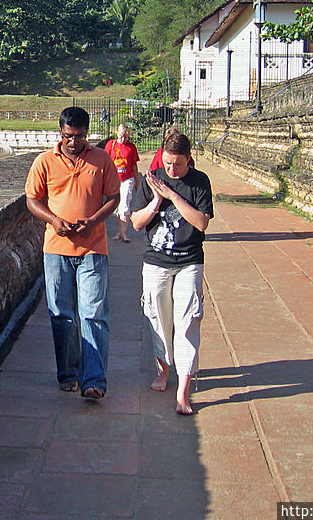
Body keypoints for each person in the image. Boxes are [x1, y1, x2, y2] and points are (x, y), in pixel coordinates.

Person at [25, 107, 120, 400]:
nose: (73, 142)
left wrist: (94, 221)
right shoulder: (44, 162)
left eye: (79, 137)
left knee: (93, 313)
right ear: (60, 132)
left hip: (93, 247)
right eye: (68, 136)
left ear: (87, 134)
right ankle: (68, 373)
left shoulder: (102, 160)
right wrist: (54, 220)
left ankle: (94, 380)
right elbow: (32, 199)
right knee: (61, 315)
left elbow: (113, 197)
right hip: (56, 249)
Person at [130, 130, 213, 415]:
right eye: (167, 163)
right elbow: (137, 224)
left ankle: (183, 390)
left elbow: (201, 223)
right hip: (156, 261)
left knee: (188, 320)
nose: (171, 169)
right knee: (158, 320)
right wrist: (155, 200)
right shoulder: (152, 178)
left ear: (189, 160)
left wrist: (173, 196)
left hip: (189, 260)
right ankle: (164, 370)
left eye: (177, 164)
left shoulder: (199, 182)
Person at [104, 123, 139, 243]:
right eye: (121, 137)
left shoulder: (131, 147)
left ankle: (125, 233)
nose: (123, 139)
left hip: (127, 179)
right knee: (116, 207)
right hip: (114, 179)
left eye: (126, 137)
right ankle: (119, 232)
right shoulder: (111, 145)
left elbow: (134, 166)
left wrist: (137, 182)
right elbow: (106, 162)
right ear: (117, 134)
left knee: (124, 206)